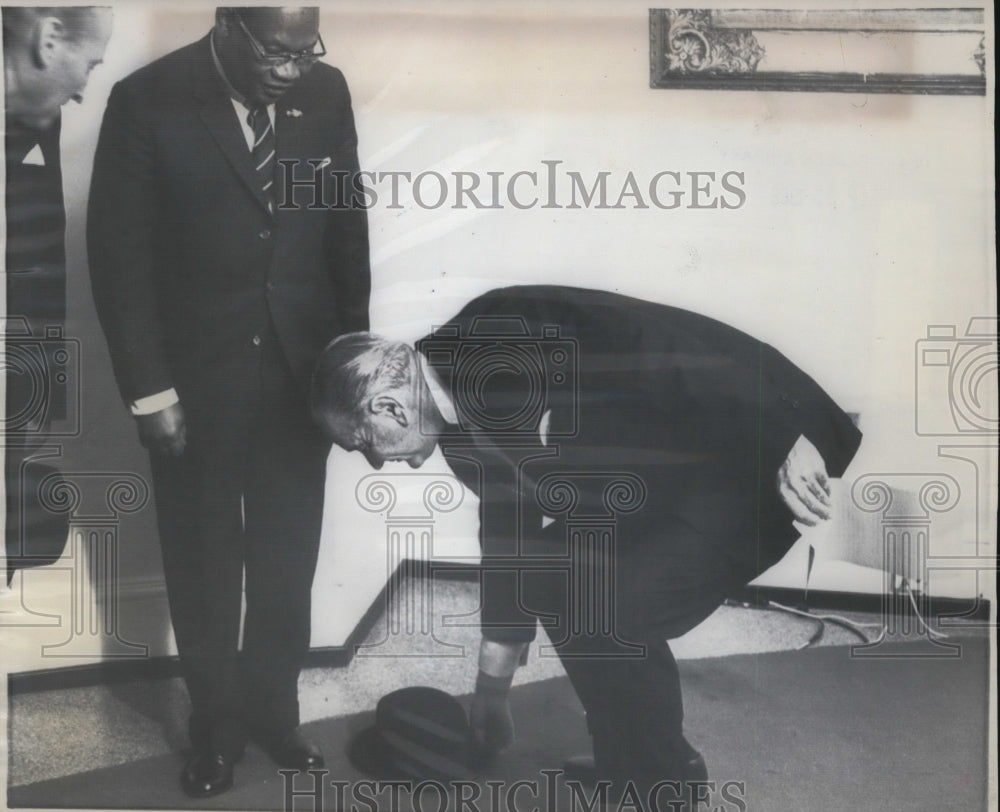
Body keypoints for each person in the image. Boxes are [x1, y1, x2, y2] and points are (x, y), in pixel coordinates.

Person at [311, 284, 862, 803]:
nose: (378, 461)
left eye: (363, 445)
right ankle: (634, 761)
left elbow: (662, 351)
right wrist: (492, 689)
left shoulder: (496, 328)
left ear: (388, 407)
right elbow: (513, 541)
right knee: (553, 577)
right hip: (664, 479)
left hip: (755, 449)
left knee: (618, 609)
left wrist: (779, 436)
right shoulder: (458, 439)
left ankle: (665, 788)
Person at [86, 7, 370, 798]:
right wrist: (149, 390)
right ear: (228, 26)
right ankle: (216, 730)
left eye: (305, 50)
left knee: (286, 564)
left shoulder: (328, 91)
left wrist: (354, 363)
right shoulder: (150, 98)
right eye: (275, 52)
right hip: (192, 386)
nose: (291, 68)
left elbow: (347, 228)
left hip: (298, 376)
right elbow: (119, 256)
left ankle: (274, 715)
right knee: (205, 565)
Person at [3, 6, 112, 583]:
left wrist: (46, 404)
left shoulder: (35, 121)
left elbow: (43, 266)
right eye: (89, 66)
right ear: (49, 39)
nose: (80, 93)